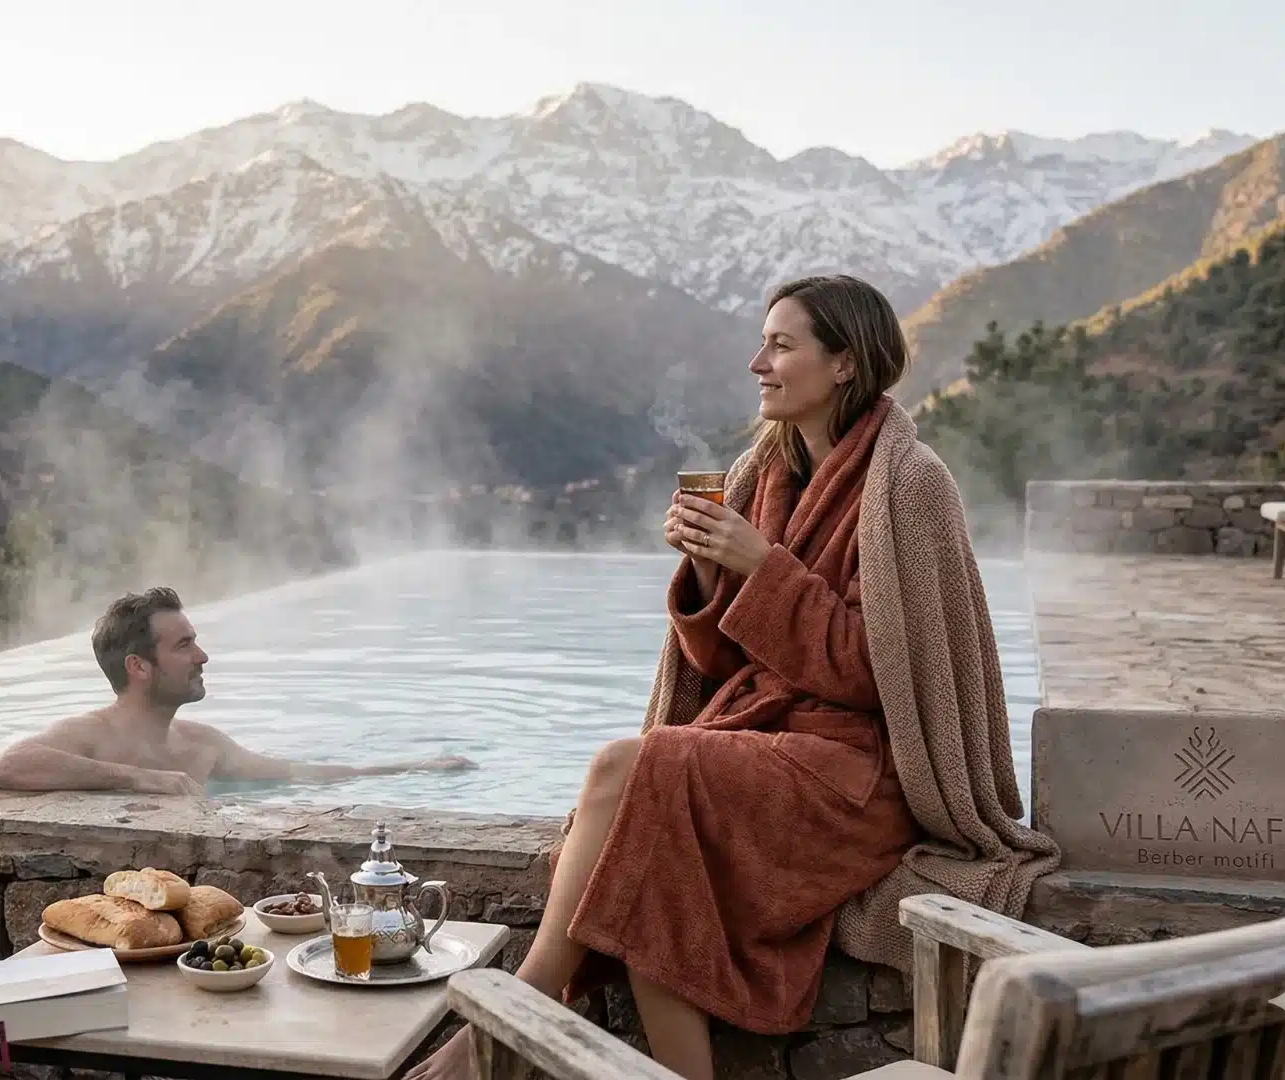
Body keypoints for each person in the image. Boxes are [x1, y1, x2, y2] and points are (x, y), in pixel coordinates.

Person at [407, 275, 1059, 1080]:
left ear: (846, 363)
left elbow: (880, 676)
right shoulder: (762, 475)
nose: (758, 362)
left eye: (782, 345)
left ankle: (525, 1003)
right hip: (767, 745)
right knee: (643, 803)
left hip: (861, 775)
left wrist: (762, 567)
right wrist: (709, 578)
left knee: (639, 773)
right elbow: (723, 666)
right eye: (763, 342)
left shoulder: (912, 484)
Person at [0, 586, 475, 794]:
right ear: (138, 666)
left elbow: (292, 773)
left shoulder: (203, 745)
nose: (202, 656)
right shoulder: (91, 735)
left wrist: (413, 766)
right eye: (185, 645)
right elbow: (11, 765)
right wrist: (142, 779)